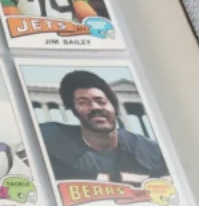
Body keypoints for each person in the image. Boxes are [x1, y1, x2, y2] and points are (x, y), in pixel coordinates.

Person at [40, 70, 168, 185]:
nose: (95, 107)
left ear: (115, 108)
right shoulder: (51, 139)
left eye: (101, 101)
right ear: (74, 111)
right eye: (83, 102)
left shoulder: (150, 152)